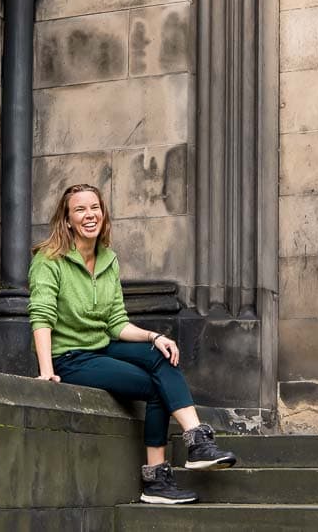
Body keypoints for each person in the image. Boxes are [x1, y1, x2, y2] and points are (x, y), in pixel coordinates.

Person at [28, 183, 237, 504]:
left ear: (103, 213)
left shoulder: (108, 259)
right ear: (67, 219)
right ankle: (156, 480)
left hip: (101, 343)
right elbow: (41, 314)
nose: (89, 215)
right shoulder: (50, 259)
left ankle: (196, 442)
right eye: (80, 209)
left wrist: (155, 337)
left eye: (94, 207)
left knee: (161, 356)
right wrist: (46, 370)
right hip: (69, 356)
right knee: (155, 388)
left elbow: (116, 323)